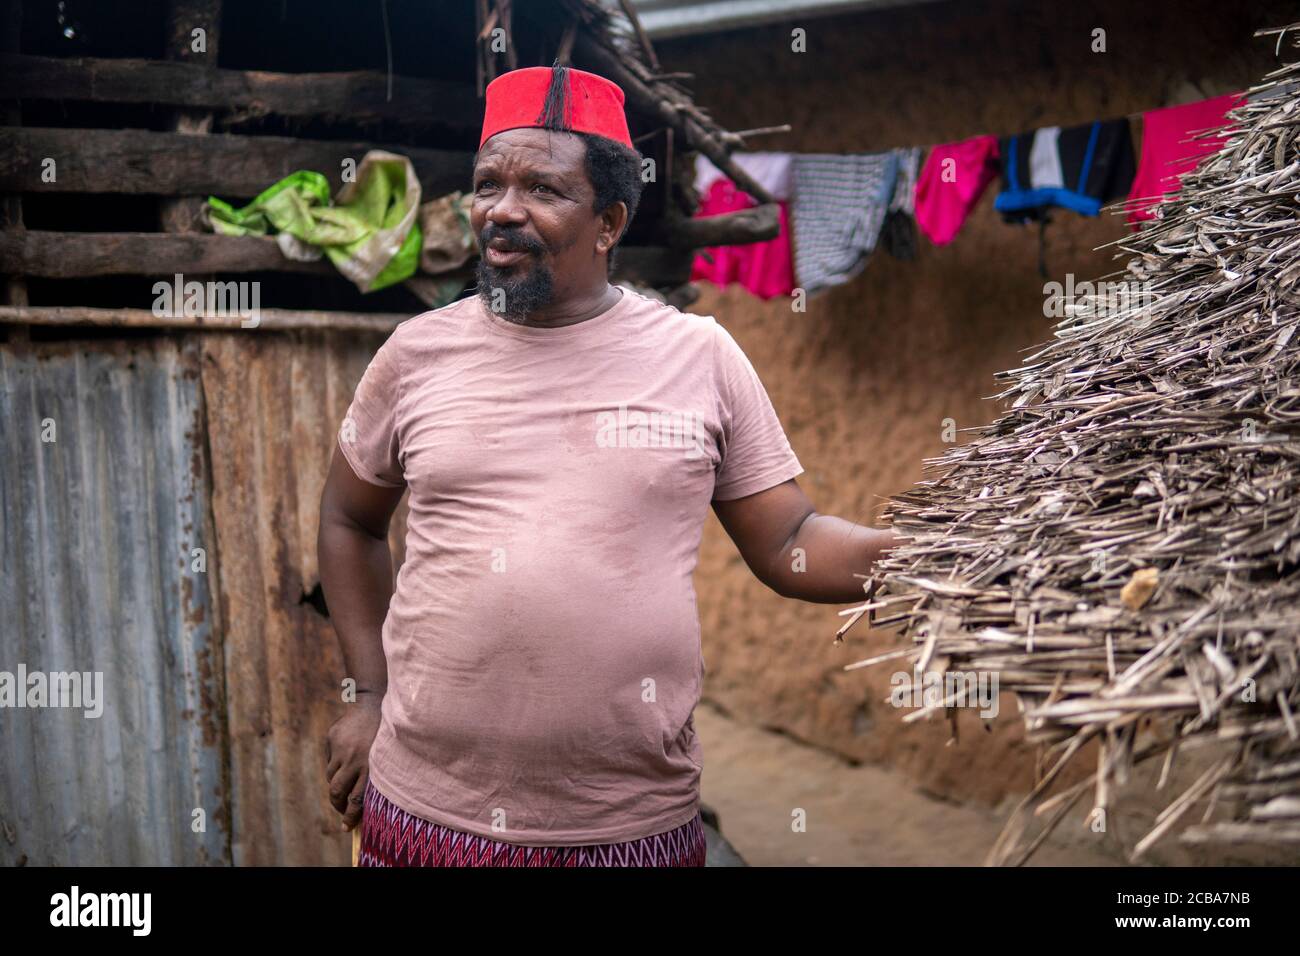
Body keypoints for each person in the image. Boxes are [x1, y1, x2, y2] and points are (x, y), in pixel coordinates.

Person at [317, 63, 901, 867]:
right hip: (424, 815)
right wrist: (368, 694)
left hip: (627, 826)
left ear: (610, 221)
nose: (503, 212)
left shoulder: (699, 357)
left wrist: (934, 560)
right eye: (488, 184)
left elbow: (791, 539)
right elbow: (349, 519)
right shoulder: (418, 353)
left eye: (544, 191)